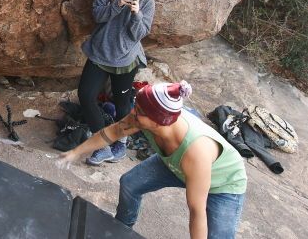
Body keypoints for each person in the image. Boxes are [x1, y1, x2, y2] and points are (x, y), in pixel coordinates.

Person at [59, 81, 247, 239]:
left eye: (139, 111)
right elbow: (113, 132)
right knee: (130, 183)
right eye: (136, 106)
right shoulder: (144, 118)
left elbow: (197, 212)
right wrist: (76, 152)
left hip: (222, 184)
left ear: (160, 121)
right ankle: (121, 228)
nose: (133, 113)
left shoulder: (196, 152)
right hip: (173, 163)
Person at [77, 0, 160, 165]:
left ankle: (120, 144)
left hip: (125, 60)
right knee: (86, 96)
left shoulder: (147, 2)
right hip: (100, 53)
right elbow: (97, 15)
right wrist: (118, 3)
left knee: (122, 103)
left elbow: (138, 35)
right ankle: (102, 146)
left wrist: (136, 13)